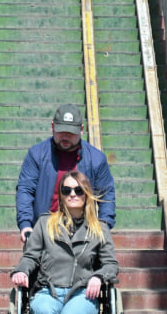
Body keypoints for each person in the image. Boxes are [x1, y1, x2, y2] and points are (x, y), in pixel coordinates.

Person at [11, 170, 119, 314]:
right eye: (67, 190)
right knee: (41, 309)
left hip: (83, 295)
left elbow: (111, 264)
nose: (72, 194)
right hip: (49, 291)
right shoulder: (44, 224)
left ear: (87, 194)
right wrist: (21, 270)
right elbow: (31, 257)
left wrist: (98, 277)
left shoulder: (99, 228)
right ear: (60, 195)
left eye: (78, 190)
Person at [16, 104, 115, 242]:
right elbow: (25, 190)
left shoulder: (96, 159)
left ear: (81, 130)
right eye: (61, 131)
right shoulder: (37, 154)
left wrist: (104, 225)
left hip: (82, 233)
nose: (66, 136)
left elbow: (107, 195)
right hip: (44, 231)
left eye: (71, 132)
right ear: (52, 127)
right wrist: (25, 224)